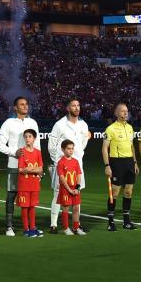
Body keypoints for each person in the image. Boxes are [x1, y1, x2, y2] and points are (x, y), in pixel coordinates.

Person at [0, 96, 39, 237]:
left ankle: (31, 227)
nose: (25, 106)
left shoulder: (32, 122)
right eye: (21, 104)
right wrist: (13, 152)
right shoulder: (8, 123)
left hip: (32, 168)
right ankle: (9, 227)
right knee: (12, 195)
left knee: (31, 197)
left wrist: (38, 169)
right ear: (15, 108)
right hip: (15, 165)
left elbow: (37, 146)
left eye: (26, 104)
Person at [47, 98, 90, 234]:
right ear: (67, 108)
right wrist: (57, 162)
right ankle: (53, 224)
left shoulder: (84, 124)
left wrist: (79, 155)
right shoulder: (60, 124)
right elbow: (51, 145)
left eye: (78, 105)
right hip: (62, 165)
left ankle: (76, 225)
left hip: (77, 164)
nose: (77, 108)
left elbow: (82, 145)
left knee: (77, 193)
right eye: (73, 105)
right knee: (58, 193)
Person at [101, 103, 138, 230]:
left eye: (126, 111)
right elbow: (105, 149)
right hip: (116, 163)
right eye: (122, 111)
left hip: (129, 162)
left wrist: (135, 162)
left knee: (128, 192)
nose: (125, 113)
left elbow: (132, 147)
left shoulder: (130, 128)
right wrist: (107, 165)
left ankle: (126, 221)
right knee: (115, 193)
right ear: (116, 113)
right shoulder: (110, 129)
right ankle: (111, 222)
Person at [15, 129, 44, 237]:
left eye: (30, 136)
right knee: (25, 207)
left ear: (34, 139)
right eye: (26, 136)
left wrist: (30, 169)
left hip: (35, 184)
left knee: (32, 207)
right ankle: (26, 229)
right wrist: (34, 170)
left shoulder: (38, 152)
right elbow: (21, 170)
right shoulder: (22, 152)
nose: (27, 138)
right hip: (24, 184)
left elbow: (40, 169)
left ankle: (33, 227)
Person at [55, 140, 83, 235]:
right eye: (68, 149)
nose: (71, 150)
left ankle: (76, 228)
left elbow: (79, 174)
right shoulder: (61, 162)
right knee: (65, 208)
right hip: (65, 189)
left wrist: (77, 188)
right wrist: (69, 190)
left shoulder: (75, 161)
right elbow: (62, 178)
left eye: (72, 148)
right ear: (63, 149)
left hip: (75, 189)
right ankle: (66, 228)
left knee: (76, 208)